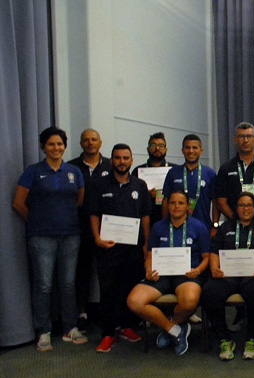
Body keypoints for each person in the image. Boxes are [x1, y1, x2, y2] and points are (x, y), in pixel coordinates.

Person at [13, 126, 87, 350]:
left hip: (70, 235)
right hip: (41, 237)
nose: (56, 148)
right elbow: (18, 203)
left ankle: (69, 328)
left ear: (65, 146)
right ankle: (43, 331)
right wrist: (38, 220)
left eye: (60, 144)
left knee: (68, 283)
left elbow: (79, 201)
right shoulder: (33, 171)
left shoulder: (74, 171)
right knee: (44, 285)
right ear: (43, 147)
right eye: (51, 144)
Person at [127, 190, 210, 356]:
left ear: (188, 206)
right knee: (134, 301)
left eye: (180, 203)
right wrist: (149, 270)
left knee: (189, 302)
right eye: (172, 203)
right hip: (161, 275)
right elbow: (150, 255)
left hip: (187, 275)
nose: (176, 206)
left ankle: (171, 326)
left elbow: (207, 257)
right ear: (167, 205)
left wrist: (198, 270)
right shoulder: (158, 227)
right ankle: (174, 330)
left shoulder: (199, 227)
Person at [202, 192, 254, 360]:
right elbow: (214, 251)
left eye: (249, 205)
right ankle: (225, 339)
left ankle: (251, 338)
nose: (245, 209)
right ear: (236, 208)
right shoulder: (225, 227)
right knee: (210, 291)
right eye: (241, 205)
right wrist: (214, 269)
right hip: (227, 275)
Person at [87, 143, 151, 352]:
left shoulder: (139, 185)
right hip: (108, 248)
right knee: (108, 290)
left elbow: (145, 217)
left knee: (130, 287)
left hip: (133, 248)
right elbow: (94, 214)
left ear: (131, 161)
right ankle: (107, 333)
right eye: (117, 158)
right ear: (112, 160)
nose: (122, 162)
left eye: (126, 158)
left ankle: (128, 327)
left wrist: (146, 244)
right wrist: (97, 238)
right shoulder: (99, 184)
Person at [68, 128, 113, 330]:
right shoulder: (71, 167)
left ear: (100, 142)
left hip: (110, 229)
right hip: (80, 228)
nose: (90, 143)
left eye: (93, 139)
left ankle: (109, 314)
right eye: (85, 140)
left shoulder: (112, 166)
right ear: (80, 143)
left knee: (107, 273)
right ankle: (82, 313)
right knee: (82, 272)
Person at [215, 122, 254, 223]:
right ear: (235, 140)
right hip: (235, 226)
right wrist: (236, 221)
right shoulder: (226, 168)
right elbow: (221, 201)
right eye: (241, 136)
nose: (245, 140)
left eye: (249, 136)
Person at [162, 134, 219, 231]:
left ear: (201, 150)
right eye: (187, 147)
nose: (191, 151)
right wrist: (165, 223)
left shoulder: (210, 173)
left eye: (195, 148)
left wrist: (215, 225)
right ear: (182, 150)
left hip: (204, 227)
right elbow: (165, 201)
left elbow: (215, 202)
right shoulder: (173, 172)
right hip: (177, 227)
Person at [132, 132, 177, 226]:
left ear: (166, 149)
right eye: (153, 145)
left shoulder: (175, 170)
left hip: (171, 221)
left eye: (161, 146)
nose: (157, 148)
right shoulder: (137, 171)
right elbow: (132, 198)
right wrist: (146, 195)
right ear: (148, 149)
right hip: (144, 222)